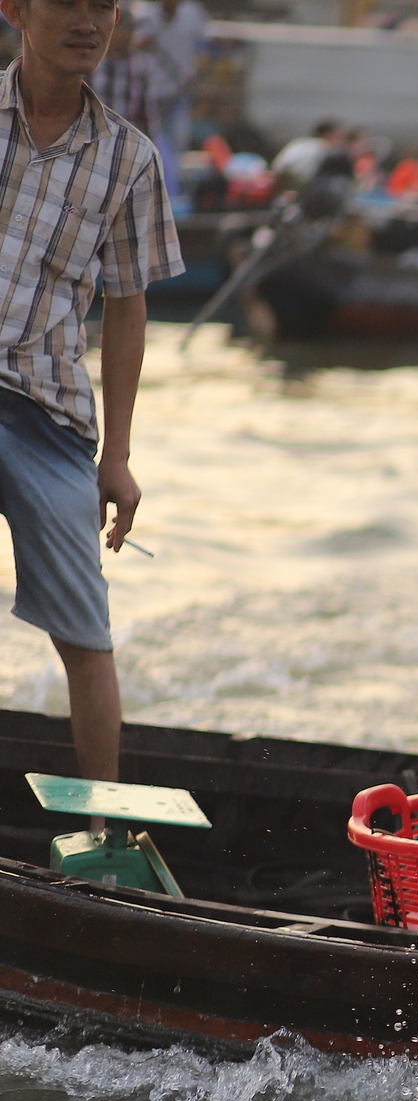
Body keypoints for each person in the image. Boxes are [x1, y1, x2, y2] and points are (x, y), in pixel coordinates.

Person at [0, 0, 185, 782]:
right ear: (16, 9)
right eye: (67, 3)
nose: (88, 22)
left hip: (47, 412)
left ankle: (101, 828)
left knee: (86, 629)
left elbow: (127, 307)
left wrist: (119, 456)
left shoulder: (128, 158)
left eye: (101, 6)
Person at [132, 0, 202, 197]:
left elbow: (201, 45)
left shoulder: (192, 15)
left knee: (177, 142)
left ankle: (172, 193)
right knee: (152, 143)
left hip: (179, 90)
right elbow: (129, 44)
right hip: (151, 92)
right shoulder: (145, 16)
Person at [270, 117, 340, 191]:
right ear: (328, 134)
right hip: (301, 183)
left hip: (282, 179)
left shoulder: (299, 142)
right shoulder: (323, 147)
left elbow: (279, 165)